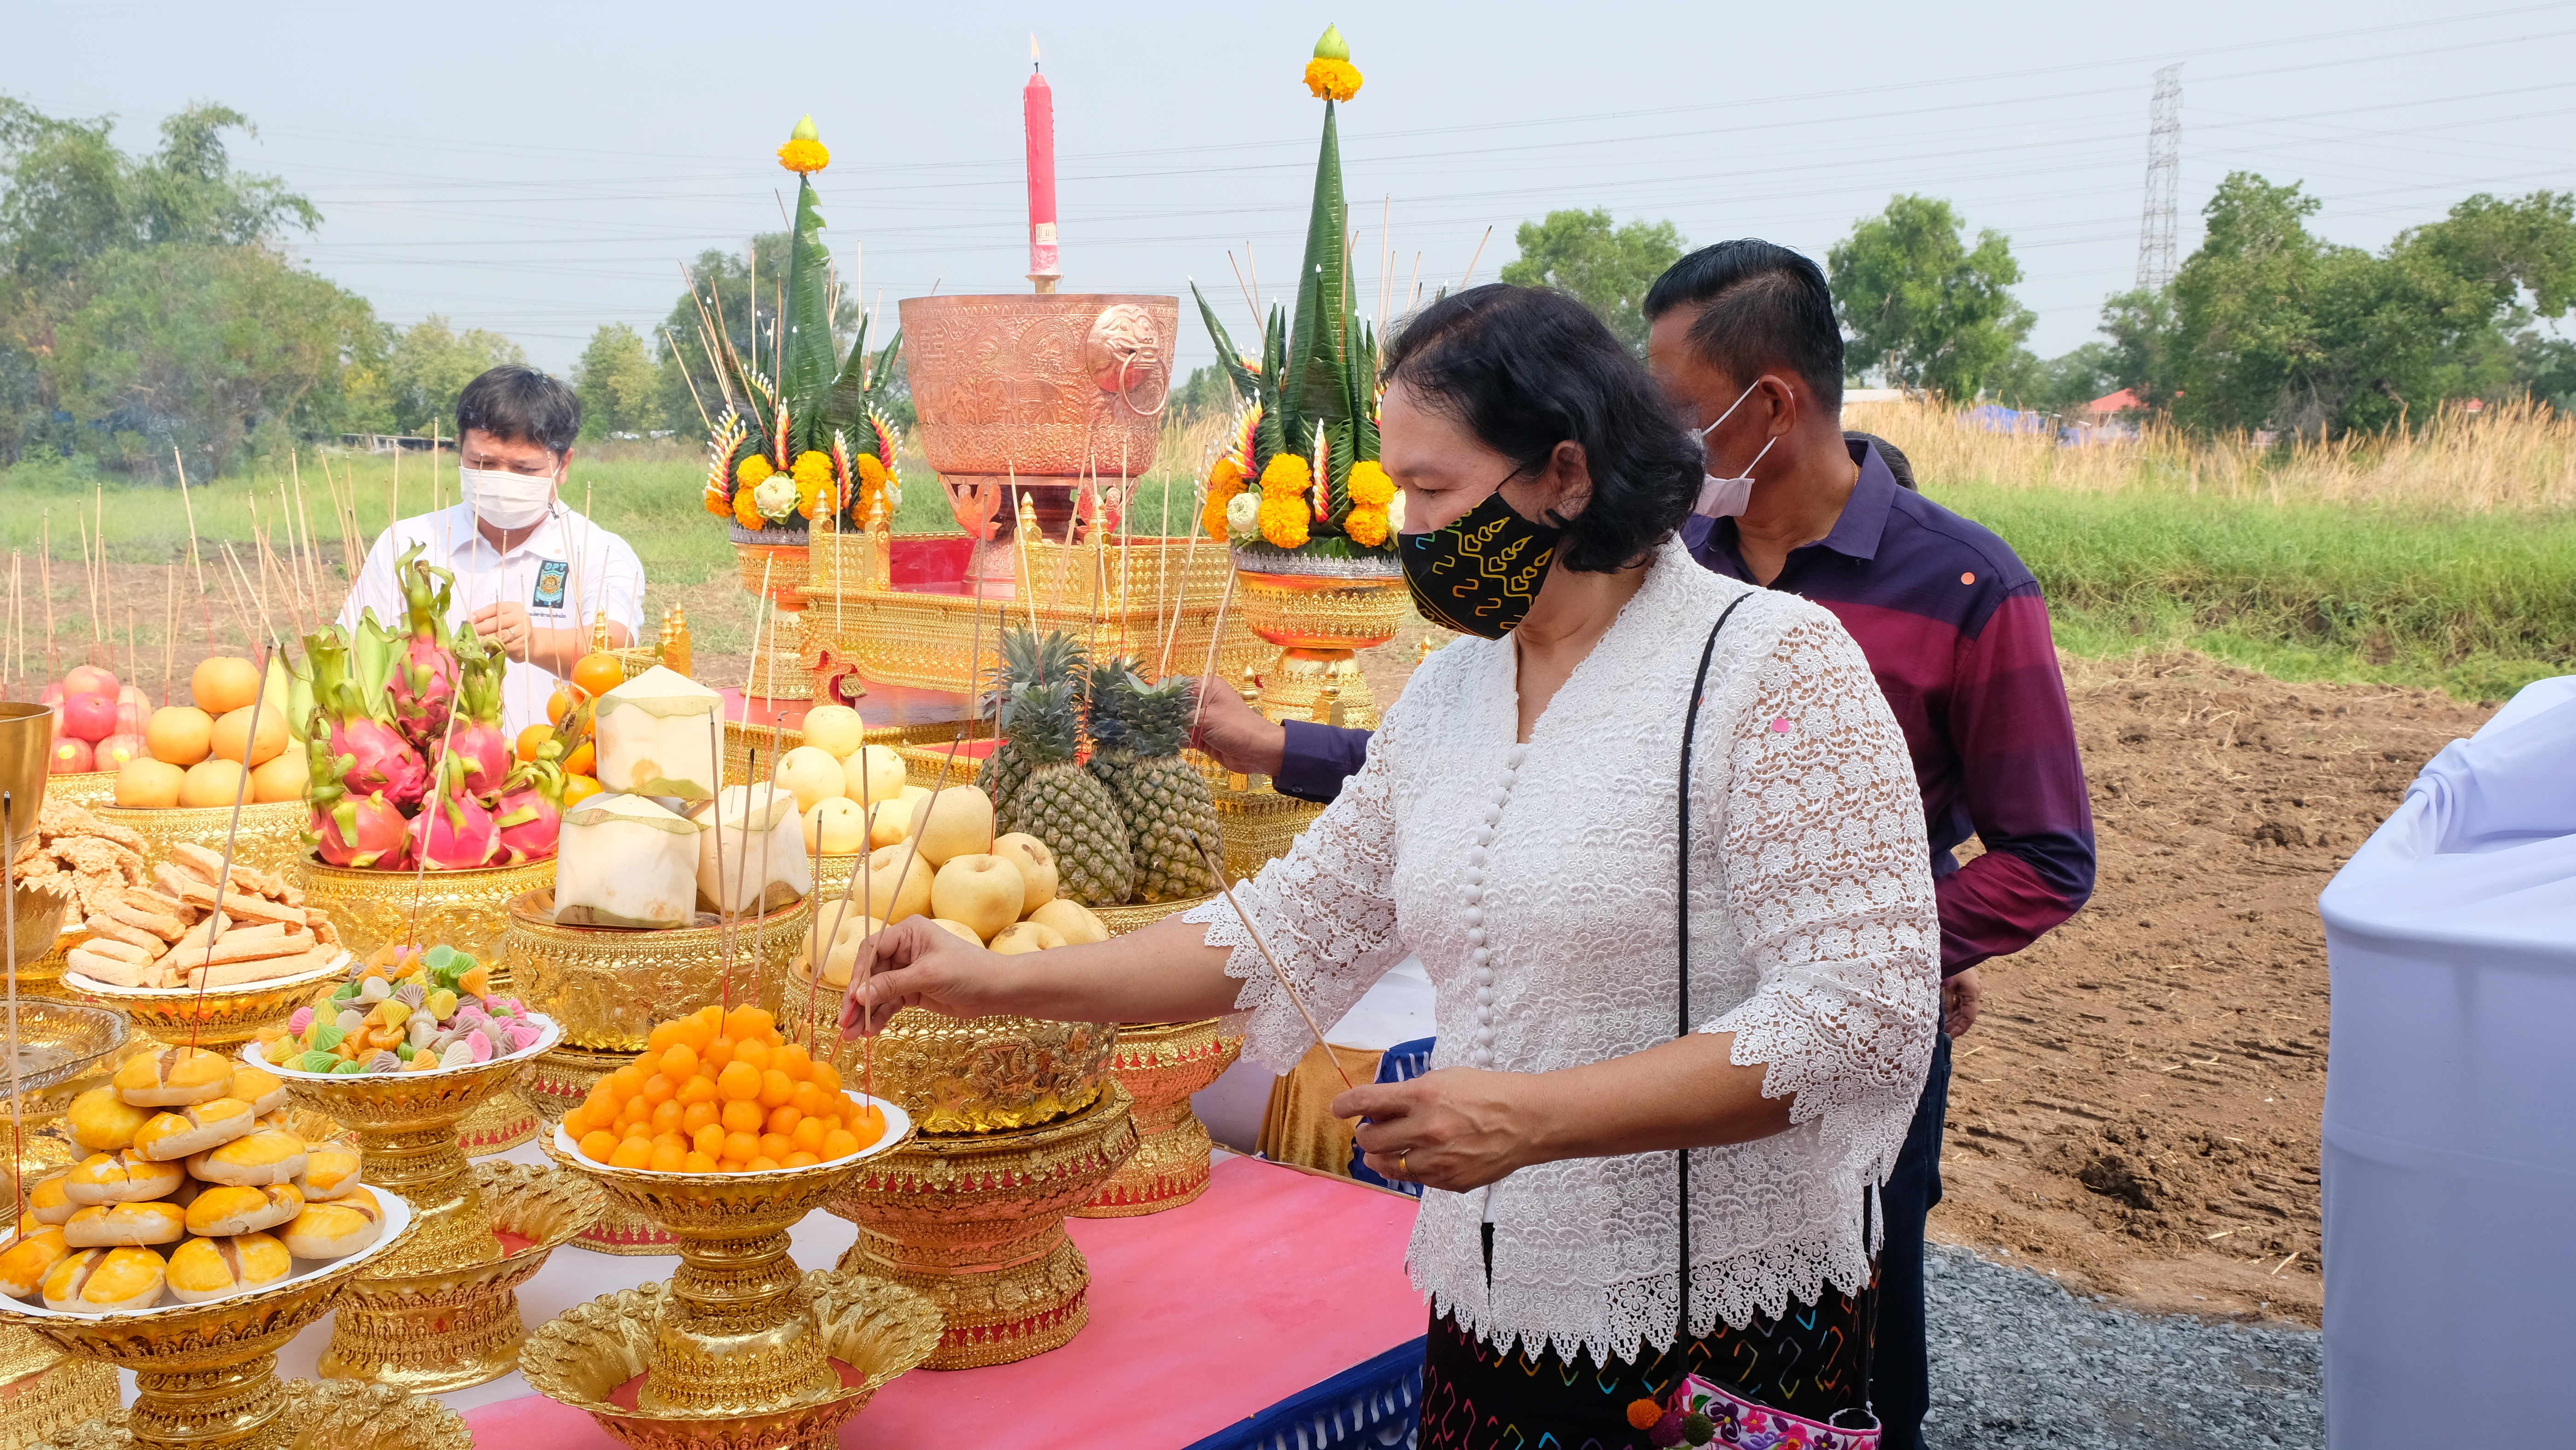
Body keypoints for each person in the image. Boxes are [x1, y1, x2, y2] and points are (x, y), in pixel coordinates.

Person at [845, 285, 1939, 1445]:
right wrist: (987, 977)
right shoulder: (1453, 689)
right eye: (1398, 491)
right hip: (1486, 1313)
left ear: (1565, 475)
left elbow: (1862, 1012)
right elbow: (1282, 925)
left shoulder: (1770, 666)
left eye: (1431, 489)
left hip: (1712, 1333)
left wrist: (1534, 1117)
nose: (1407, 529)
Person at [1192, 242, 2098, 1450]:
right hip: (1557, 1182)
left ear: (1766, 405)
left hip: (1804, 1074)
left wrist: (1883, 937)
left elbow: (2043, 856)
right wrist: (1286, 750)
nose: (1648, 431)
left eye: (1673, 405)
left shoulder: (1950, 587)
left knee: (1865, 1342)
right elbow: (1503, 773)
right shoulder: (1641, 574)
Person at [337, 366, 644, 737]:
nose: (502, 480)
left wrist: (536, 642)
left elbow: (615, 649)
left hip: (554, 760)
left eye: (524, 468)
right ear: (460, 450)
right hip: (423, 759)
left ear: (563, 465)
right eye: (483, 463)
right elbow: (354, 650)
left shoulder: (599, 551)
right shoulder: (408, 542)